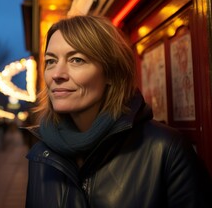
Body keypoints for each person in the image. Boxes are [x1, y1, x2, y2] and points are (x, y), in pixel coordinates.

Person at [23, 15, 212, 207]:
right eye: (51, 61)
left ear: (112, 73)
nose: (57, 74)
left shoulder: (165, 149)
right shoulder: (41, 156)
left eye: (76, 60)